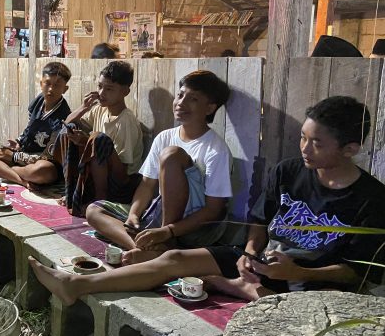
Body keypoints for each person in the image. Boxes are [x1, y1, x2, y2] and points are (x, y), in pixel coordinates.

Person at [29, 96, 385, 306]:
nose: (304, 148)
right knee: (173, 259)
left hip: (310, 279)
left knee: (292, 307)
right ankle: (76, 285)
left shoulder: (372, 199)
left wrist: (298, 271)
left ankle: (244, 288)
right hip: (265, 262)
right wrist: (250, 253)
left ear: (350, 149)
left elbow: (356, 272)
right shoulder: (289, 171)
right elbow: (259, 223)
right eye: (303, 138)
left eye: (316, 143)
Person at [86, 70, 232, 265]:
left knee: (172, 155)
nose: (181, 103)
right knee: (94, 210)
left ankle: (164, 243)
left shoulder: (216, 149)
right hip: (160, 215)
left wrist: (167, 231)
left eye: (193, 99)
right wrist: (133, 215)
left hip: (194, 228)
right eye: (180, 95)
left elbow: (213, 210)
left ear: (210, 108)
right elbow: (147, 185)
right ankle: (144, 248)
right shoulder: (165, 137)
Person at [51, 61, 143, 216]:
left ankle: (100, 201)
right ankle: (73, 191)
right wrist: (83, 108)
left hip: (121, 186)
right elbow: (67, 122)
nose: (101, 93)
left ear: (125, 92)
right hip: (98, 176)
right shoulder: (99, 110)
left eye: (109, 89)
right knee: (69, 130)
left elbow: (123, 171)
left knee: (98, 139)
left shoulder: (126, 120)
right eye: (100, 86)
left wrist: (87, 142)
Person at [0, 62, 72, 185]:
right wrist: (18, 142)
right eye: (48, 83)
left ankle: (6, 171)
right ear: (41, 84)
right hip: (23, 155)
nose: (51, 89)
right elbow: (30, 128)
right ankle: (20, 180)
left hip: (43, 163)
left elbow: (49, 156)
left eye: (56, 85)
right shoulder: (39, 101)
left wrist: (14, 157)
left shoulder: (64, 117)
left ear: (65, 89)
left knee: (42, 170)